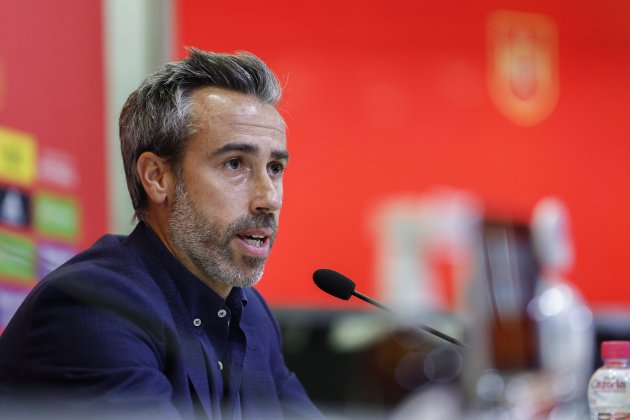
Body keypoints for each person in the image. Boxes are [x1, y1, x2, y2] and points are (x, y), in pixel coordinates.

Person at [0, 48, 323, 419]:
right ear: (157, 177)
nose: (269, 198)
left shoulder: (252, 314)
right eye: (235, 164)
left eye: (276, 167)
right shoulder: (92, 308)